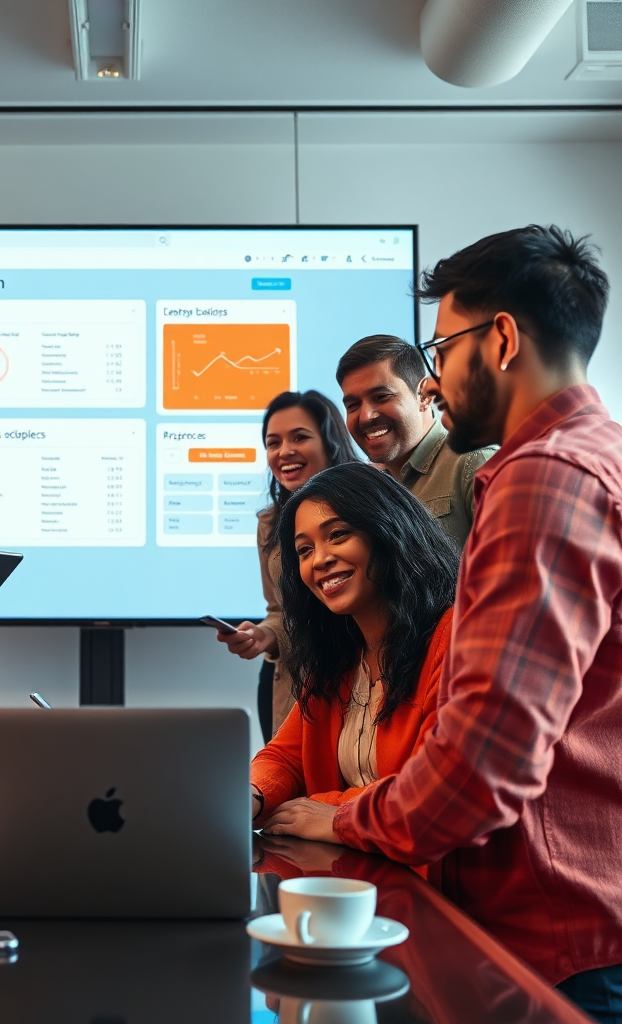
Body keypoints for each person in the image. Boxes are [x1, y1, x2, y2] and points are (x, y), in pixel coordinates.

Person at [267, 225, 622, 1022]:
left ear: (499, 339)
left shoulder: (544, 476)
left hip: (552, 931)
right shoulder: (597, 455)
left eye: (442, 350)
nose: (433, 381)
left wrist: (346, 815)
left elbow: (481, 765)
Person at [249, 461, 457, 829]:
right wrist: (252, 794)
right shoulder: (338, 657)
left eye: (338, 534)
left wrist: (332, 814)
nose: (321, 560)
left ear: (388, 530)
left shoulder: (455, 637)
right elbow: (286, 758)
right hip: (353, 874)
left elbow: (434, 791)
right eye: (304, 550)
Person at [216, 390, 358, 740]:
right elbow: (280, 610)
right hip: (291, 687)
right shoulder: (270, 523)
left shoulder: (367, 509)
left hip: (358, 681)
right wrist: (263, 635)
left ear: (330, 443)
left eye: (300, 437)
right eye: (273, 442)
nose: (284, 451)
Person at [336, 334, 496, 547]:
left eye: (381, 397)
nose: (366, 416)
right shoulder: (365, 488)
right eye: (353, 405)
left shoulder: (475, 463)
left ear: (424, 395)